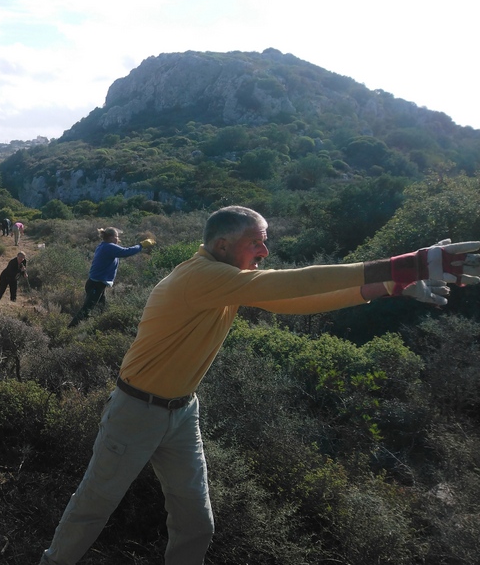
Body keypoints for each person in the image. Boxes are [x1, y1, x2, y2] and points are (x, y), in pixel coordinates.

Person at [39, 206, 479, 565]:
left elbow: (294, 300)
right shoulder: (200, 278)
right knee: (93, 506)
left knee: (196, 524)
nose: (265, 250)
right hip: (136, 411)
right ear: (223, 245)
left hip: (180, 412)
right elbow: (296, 280)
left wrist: (392, 286)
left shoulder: (226, 280)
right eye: (257, 241)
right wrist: (407, 264)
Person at [68, 227, 155, 327]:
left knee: (101, 308)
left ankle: (96, 329)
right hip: (96, 285)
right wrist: (141, 245)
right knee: (86, 310)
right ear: (110, 237)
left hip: (97, 284)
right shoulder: (108, 247)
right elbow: (126, 252)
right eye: (116, 237)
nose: (118, 239)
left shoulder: (103, 246)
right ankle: (69, 330)